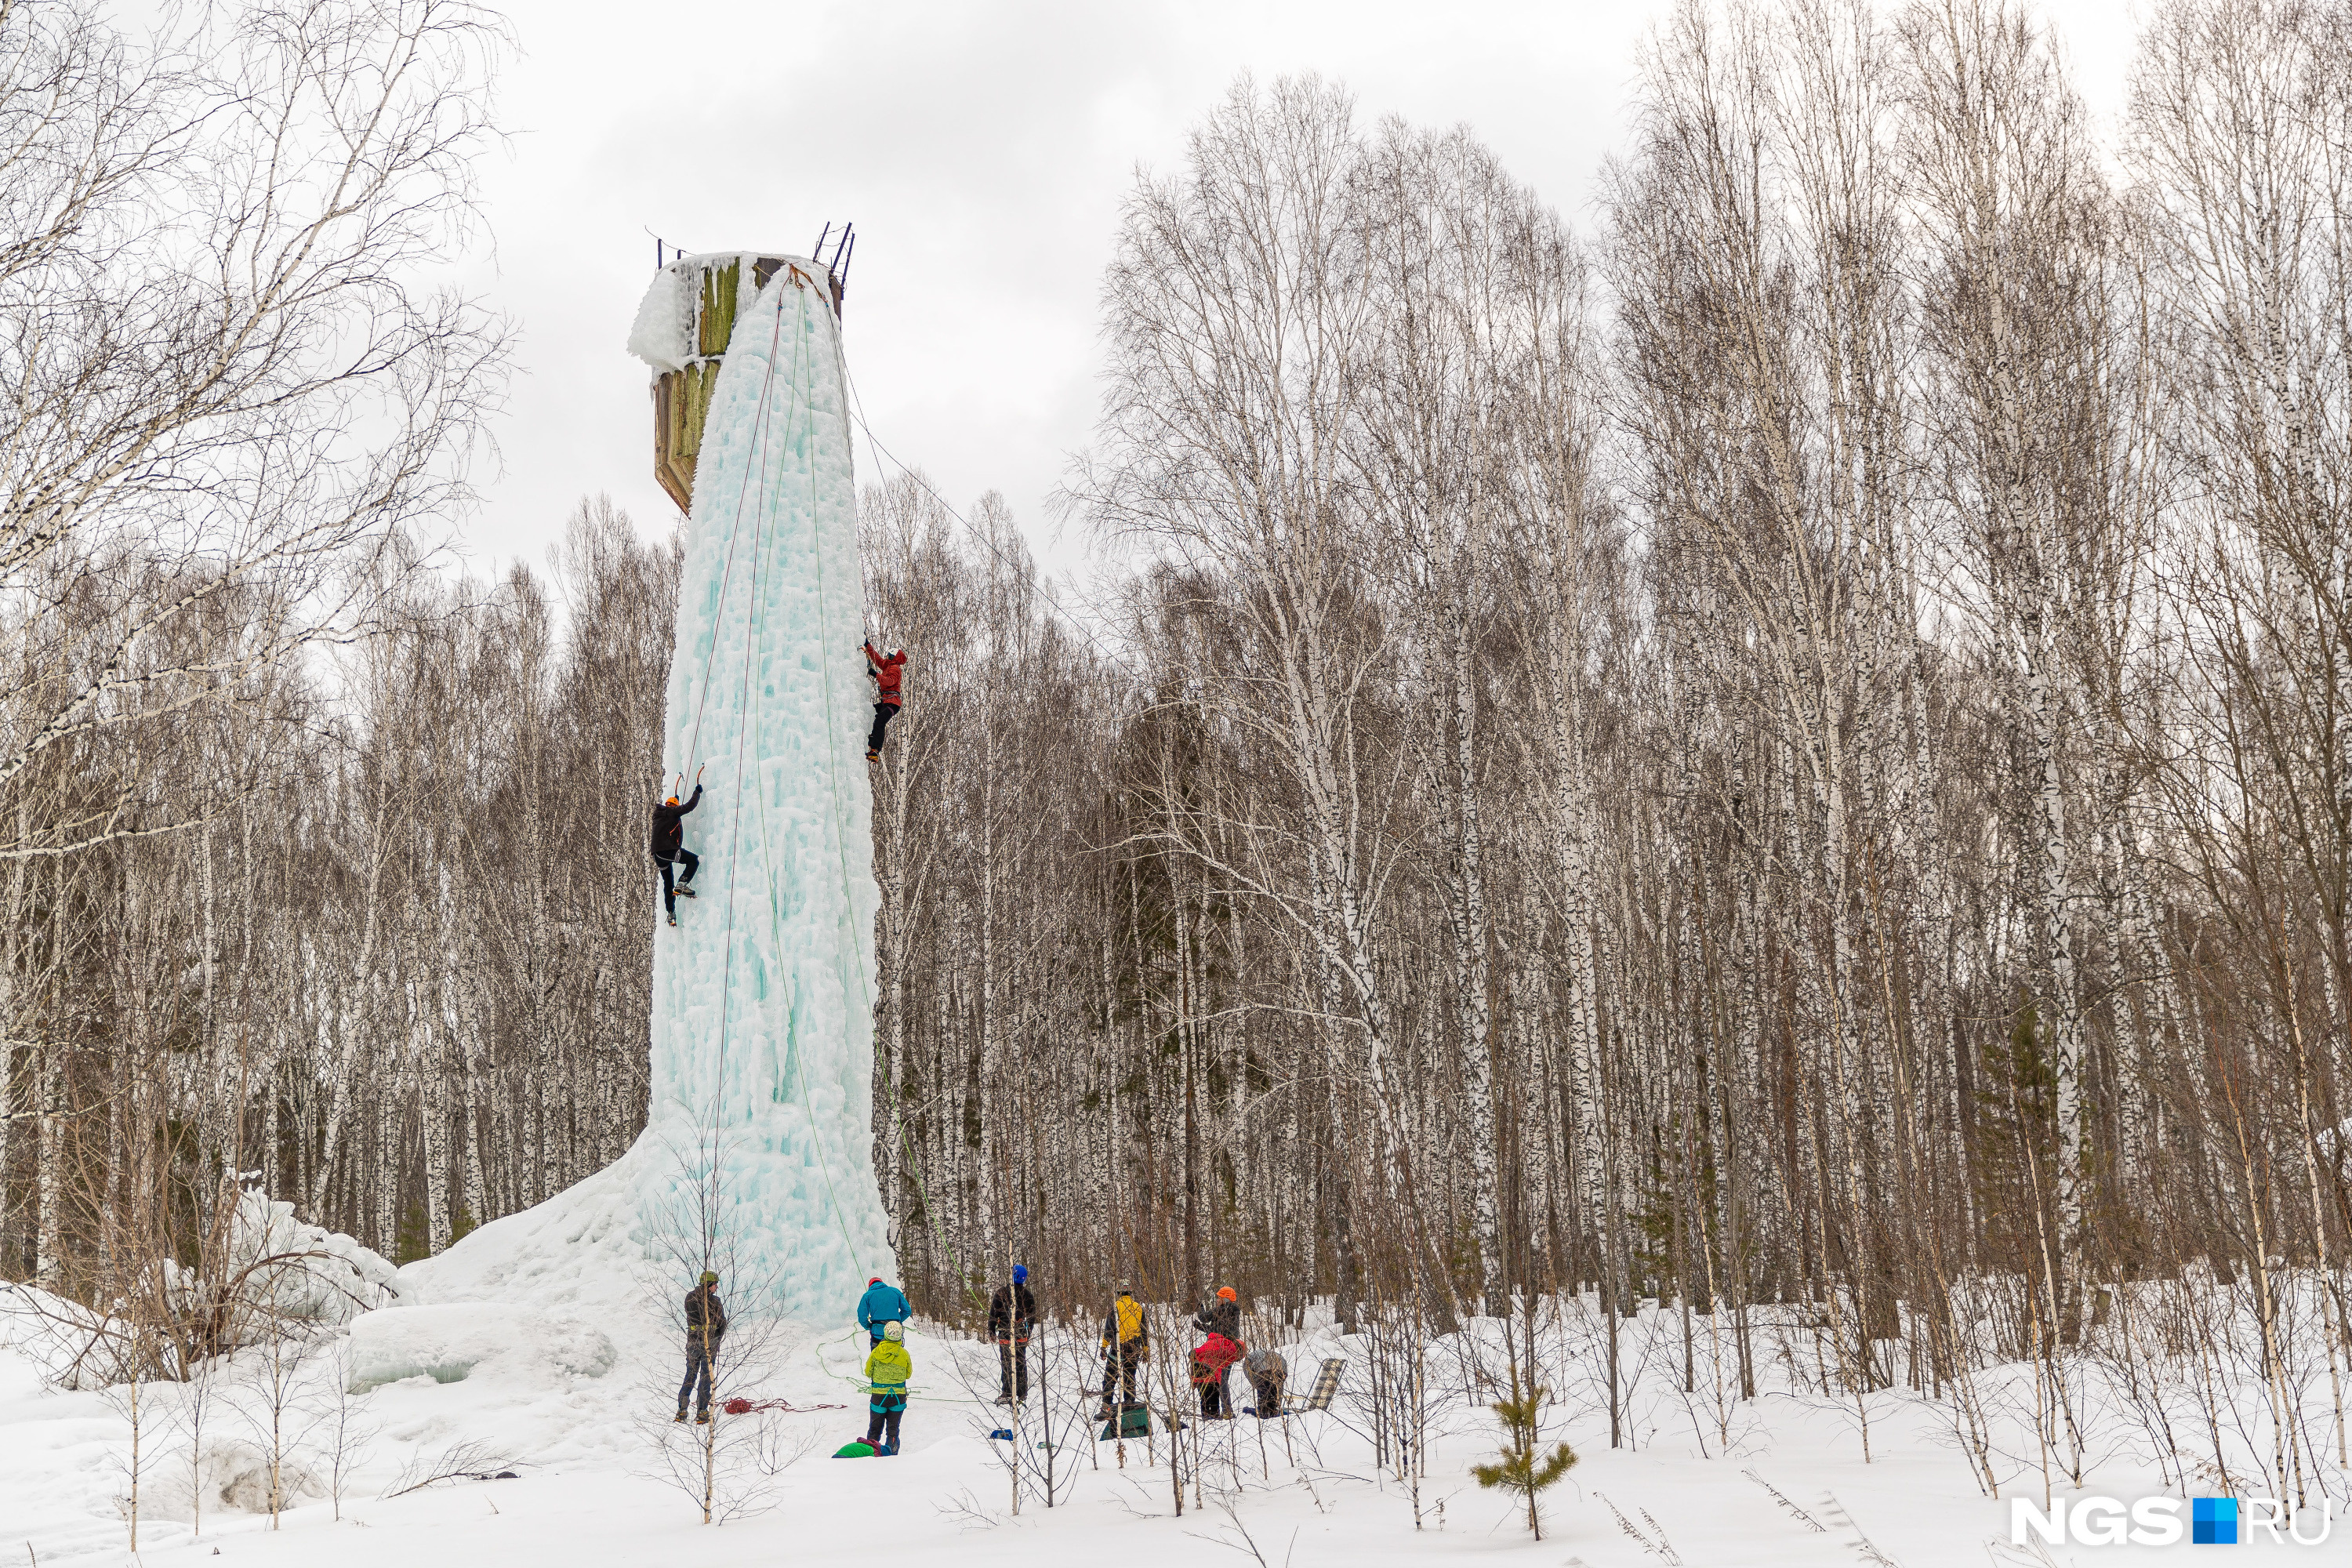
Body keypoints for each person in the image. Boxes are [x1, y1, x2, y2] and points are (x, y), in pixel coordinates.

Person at [650, 769, 704, 928]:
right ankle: (682, 883)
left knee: (668, 882)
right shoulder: (672, 812)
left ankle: (671, 913)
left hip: (658, 856)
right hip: (668, 851)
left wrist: (675, 802)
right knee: (694, 860)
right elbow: (689, 806)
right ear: (673, 807)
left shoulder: (659, 814)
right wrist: (697, 791)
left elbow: (673, 811)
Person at [675, 1269, 726, 1424]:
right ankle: (702, 1411)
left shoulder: (690, 1298)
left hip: (692, 1342)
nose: (716, 1287)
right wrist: (716, 1339)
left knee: (690, 1374)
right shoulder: (715, 1302)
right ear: (709, 1284)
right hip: (708, 1343)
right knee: (705, 1376)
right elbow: (722, 1323)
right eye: (715, 1284)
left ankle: (682, 1411)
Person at [986, 1264, 1038, 1406]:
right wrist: (1028, 1332)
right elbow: (1032, 1317)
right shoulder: (1027, 1295)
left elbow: (993, 1314)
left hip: (1006, 1335)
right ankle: (1022, 1393)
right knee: (1020, 1363)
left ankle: (1008, 1393)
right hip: (1020, 1335)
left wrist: (991, 1330)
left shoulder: (1002, 1293)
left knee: (1007, 1364)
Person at [1098, 1285, 1149, 1416]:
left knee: (1109, 1378)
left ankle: (1106, 1407)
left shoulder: (1115, 1307)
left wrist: (1104, 1347)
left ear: (1119, 1293)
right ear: (1130, 1293)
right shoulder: (1139, 1308)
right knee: (1130, 1377)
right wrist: (1146, 1350)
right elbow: (1144, 1331)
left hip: (1117, 1349)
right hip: (1134, 1349)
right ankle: (1130, 1403)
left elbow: (1109, 1329)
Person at [862, 1319, 910, 1456]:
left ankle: (870, 1455)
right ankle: (892, 1457)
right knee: (893, 1430)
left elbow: (868, 1372)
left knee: (874, 1429)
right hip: (898, 1396)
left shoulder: (876, 1352)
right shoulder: (904, 1354)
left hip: (878, 1396)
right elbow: (908, 1374)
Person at [1192, 1285, 1242, 1414]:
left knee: (1220, 1381)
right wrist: (1201, 1327)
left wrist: (1200, 1308)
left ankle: (1226, 1411)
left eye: (1219, 1298)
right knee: (1222, 1379)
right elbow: (1218, 1331)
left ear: (1225, 1299)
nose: (1217, 1300)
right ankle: (1225, 1410)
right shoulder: (1234, 1312)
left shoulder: (1220, 1310)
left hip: (1220, 1350)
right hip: (1231, 1348)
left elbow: (1204, 1317)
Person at [863, 641, 906, 761]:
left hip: (892, 703)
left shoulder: (895, 668)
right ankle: (871, 741)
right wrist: (868, 645)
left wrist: (876, 674)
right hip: (886, 702)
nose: (887, 657)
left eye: (889, 655)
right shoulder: (888, 666)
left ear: (893, 657)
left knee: (879, 722)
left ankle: (875, 751)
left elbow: (890, 681)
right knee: (870, 711)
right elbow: (876, 658)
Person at [1190, 1329, 1243, 1420]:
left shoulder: (1218, 1342)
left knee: (1204, 1395)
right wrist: (1228, 1411)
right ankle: (1216, 1416)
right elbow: (1223, 1381)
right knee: (1214, 1391)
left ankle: (1206, 1417)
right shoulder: (1231, 1348)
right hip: (1205, 1367)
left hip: (1196, 1365)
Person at [857, 1275, 910, 1345]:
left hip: (878, 1332)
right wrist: (896, 1322)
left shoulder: (867, 1295)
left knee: (877, 1354)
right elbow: (907, 1310)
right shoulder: (895, 1291)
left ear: (870, 1286)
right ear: (882, 1283)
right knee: (896, 1354)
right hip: (894, 1331)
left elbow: (862, 1316)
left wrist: (868, 1326)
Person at [1243, 1344, 1287, 1418]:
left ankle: (1264, 1411)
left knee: (1264, 1392)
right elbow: (1279, 1387)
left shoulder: (1248, 1360)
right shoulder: (1272, 1354)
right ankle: (1275, 1409)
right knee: (1275, 1390)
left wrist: (1257, 1385)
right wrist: (1278, 1403)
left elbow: (1249, 1374)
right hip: (1282, 1368)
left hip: (1264, 1370)